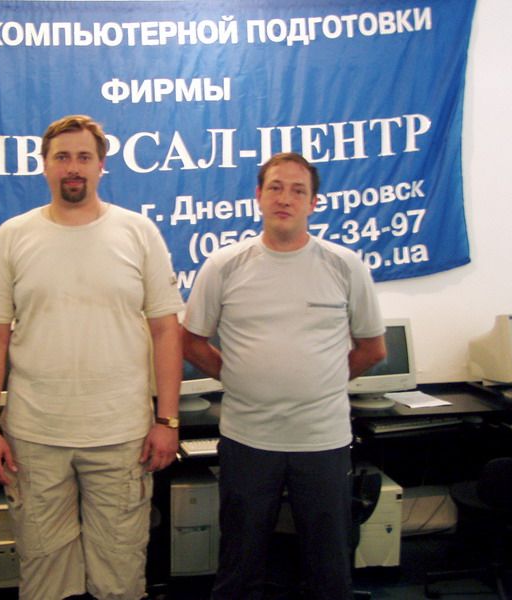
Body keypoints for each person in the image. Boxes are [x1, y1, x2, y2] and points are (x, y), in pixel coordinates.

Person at [0, 114, 184, 600]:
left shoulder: (138, 232)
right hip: (34, 438)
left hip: (122, 436)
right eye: (62, 157)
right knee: (45, 578)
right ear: (45, 165)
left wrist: (167, 421)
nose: (73, 167)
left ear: (101, 165)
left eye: (84, 157)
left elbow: (165, 330)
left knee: (119, 577)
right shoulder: (13, 235)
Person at [182, 152, 387, 599]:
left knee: (329, 568)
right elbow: (191, 342)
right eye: (275, 187)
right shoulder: (224, 265)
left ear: (313, 203)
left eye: (298, 190)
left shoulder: (345, 265)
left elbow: (372, 349)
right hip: (248, 439)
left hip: (322, 440)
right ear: (258, 196)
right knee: (239, 563)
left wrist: (322, 382)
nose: (285, 198)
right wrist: (238, 377)